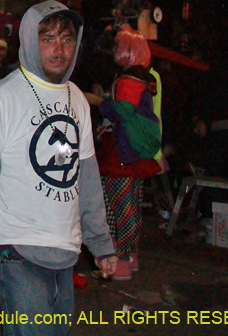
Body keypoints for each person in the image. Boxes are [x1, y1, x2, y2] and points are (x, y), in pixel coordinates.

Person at [0, 0, 117, 335]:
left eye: (67, 39)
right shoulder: (2, 98)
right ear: (28, 40)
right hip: (14, 250)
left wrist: (100, 242)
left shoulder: (78, 100)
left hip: (65, 251)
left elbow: (87, 178)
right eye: (48, 39)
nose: (59, 49)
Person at [85, 25, 162, 280]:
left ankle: (122, 259)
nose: (114, 49)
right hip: (132, 151)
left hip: (121, 150)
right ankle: (129, 256)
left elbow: (121, 111)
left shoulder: (129, 79)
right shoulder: (141, 78)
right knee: (131, 204)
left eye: (118, 45)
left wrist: (96, 100)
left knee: (120, 206)